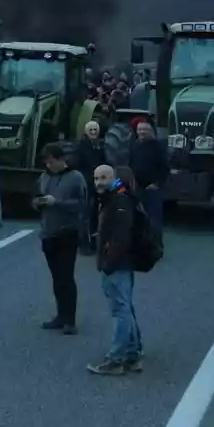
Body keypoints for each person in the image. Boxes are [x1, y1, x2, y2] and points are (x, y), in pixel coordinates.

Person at [87, 164, 144, 375]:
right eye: (96, 178)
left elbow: (121, 237)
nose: (99, 182)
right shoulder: (115, 197)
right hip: (119, 263)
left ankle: (116, 360)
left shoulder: (119, 202)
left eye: (104, 178)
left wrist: (108, 263)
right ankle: (133, 354)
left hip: (117, 264)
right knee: (126, 307)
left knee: (120, 310)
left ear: (113, 178)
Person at [33, 144, 88, 334]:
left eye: (51, 161)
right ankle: (60, 315)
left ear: (60, 159)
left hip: (67, 233)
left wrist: (58, 202)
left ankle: (70, 320)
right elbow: (36, 196)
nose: (48, 165)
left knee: (66, 276)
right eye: (46, 162)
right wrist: (37, 203)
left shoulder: (76, 178)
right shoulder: (44, 176)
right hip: (48, 233)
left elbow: (82, 205)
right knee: (56, 277)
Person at [129, 119, 167, 241]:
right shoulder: (135, 145)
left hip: (152, 188)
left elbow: (165, 168)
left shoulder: (158, 147)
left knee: (154, 219)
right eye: (140, 130)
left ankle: (156, 245)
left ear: (150, 131)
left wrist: (157, 184)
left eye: (145, 130)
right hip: (137, 187)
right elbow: (130, 164)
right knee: (137, 218)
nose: (142, 132)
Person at [75, 120, 107, 254]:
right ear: (86, 132)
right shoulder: (81, 147)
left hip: (98, 185)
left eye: (95, 129)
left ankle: (94, 242)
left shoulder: (100, 146)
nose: (93, 132)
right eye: (91, 130)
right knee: (85, 215)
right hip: (87, 184)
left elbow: (104, 162)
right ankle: (83, 244)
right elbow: (80, 165)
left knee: (95, 215)